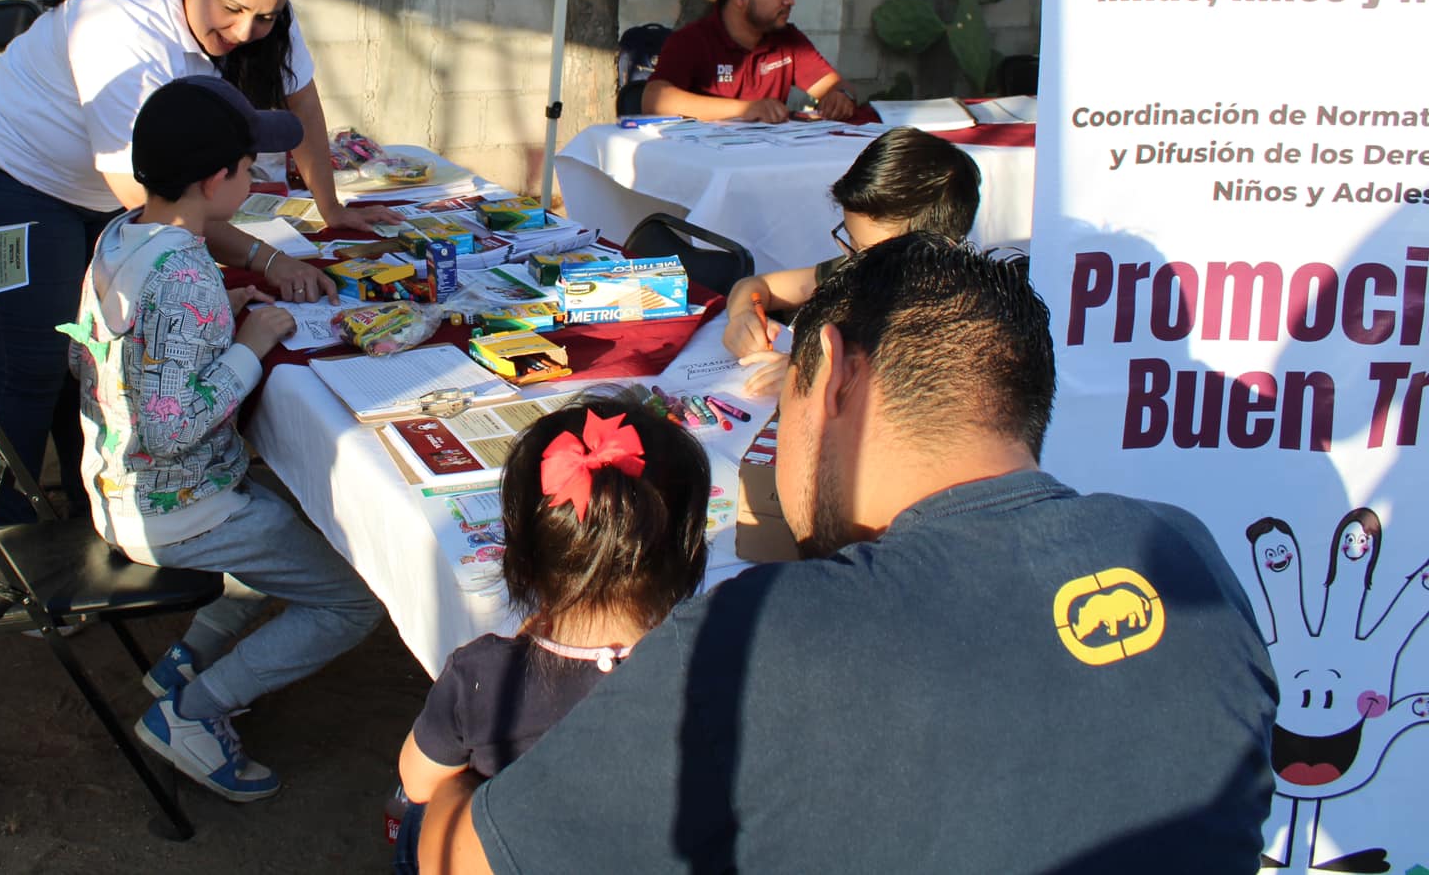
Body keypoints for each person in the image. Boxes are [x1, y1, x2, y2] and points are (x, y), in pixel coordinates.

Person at [418, 236, 1279, 874]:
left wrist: (452, 788)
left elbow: (467, 863)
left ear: (828, 371)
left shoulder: (764, 639)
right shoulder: (1187, 554)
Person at [0, 0, 398, 523]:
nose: (244, 30)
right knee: (31, 363)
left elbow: (301, 103)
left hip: (102, 190)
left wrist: (331, 206)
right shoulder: (120, 24)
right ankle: (7, 535)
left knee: (87, 354)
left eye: (264, 15)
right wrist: (264, 257)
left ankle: (92, 510)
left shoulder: (263, 15)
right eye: (231, 10)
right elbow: (154, 207)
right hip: (7, 175)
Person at [62, 74, 384, 803]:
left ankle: (186, 659)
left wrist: (223, 318)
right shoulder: (183, 273)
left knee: (295, 513)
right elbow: (170, 428)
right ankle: (193, 713)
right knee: (350, 603)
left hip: (122, 481)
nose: (257, 177)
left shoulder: (128, 233)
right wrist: (248, 344)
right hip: (180, 506)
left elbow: (129, 352)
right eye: (249, 168)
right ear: (216, 179)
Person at [392, 402, 710, 873]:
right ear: (689, 553)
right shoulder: (711, 669)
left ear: (521, 559)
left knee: (416, 816)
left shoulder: (483, 676)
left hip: (510, 857)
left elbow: (417, 782)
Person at [723, 126, 980, 356]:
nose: (854, 261)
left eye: (868, 252)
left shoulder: (956, 325)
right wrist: (743, 315)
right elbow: (756, 285)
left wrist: (814, 382)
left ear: (937, 250)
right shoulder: (855, 269)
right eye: (850, 239)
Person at [642, 0, 858, 122]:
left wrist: (841, 96)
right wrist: (746, 109)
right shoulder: (692, 41)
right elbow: (654, 100)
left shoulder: (788, 39)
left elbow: (834, 84)